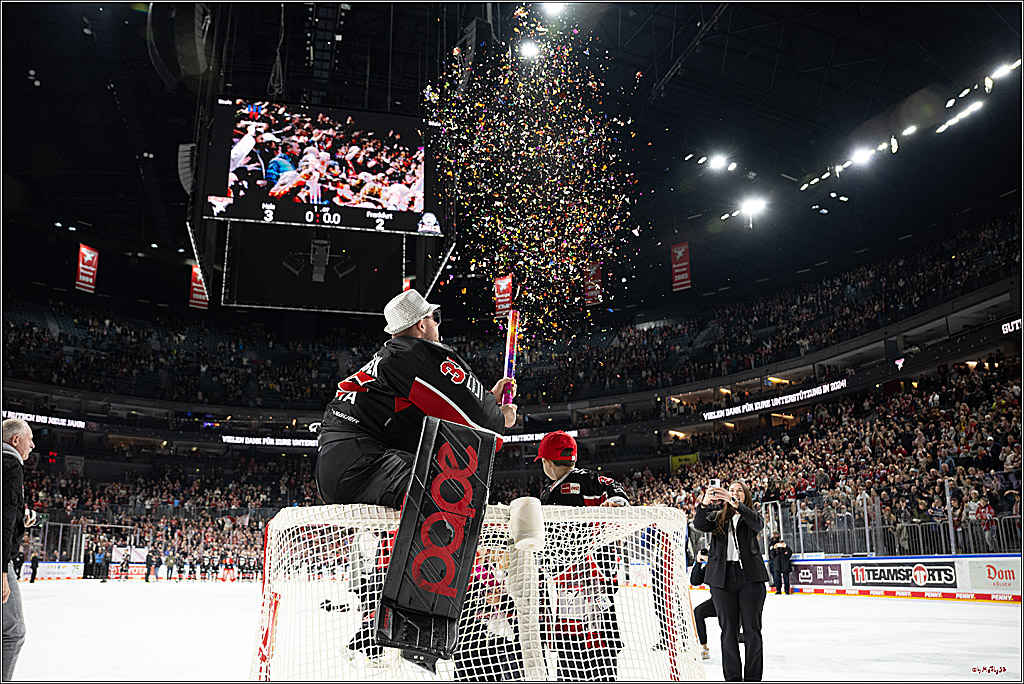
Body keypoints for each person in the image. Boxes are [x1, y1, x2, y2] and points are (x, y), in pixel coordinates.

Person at [316, 289, 517, 511]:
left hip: (345, 462)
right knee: (450, 493)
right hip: (363, 464)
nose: (437, 325)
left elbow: (444, 405)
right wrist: (502, 418)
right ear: (421, 325)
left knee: (438, 484)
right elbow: (484, 424)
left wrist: (490, 397)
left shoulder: (392, 358)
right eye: (435, 318)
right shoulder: (414, 354)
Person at [535, 430, 629, 681]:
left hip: (578, 589)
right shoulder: (587, 480)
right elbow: (615, 490)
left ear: (546, 462)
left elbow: (615, 493)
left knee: (573, 663)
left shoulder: (557, 490)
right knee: (600, 661)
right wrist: (617, 502)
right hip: (594, 589)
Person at [693, 480, 769, 682]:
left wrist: (735, 503)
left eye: (739, 491)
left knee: (752, 631)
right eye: (731, 490)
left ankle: (753, 678)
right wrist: (704, 502)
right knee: (728, 632)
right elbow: (699, 524)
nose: (734, 493)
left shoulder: (750, 516)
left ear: (745, 495)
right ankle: (733, 678)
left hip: (750, 578)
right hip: (722, 579)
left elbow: (758, 524)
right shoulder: (718, 517)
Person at [3, 418, 35, 681]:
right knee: (13, 632)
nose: (32, 445)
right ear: (15, 440)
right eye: (29, 439)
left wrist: (20, 518)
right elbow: (3, 520)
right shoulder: (11, 464)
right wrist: (2, 570)